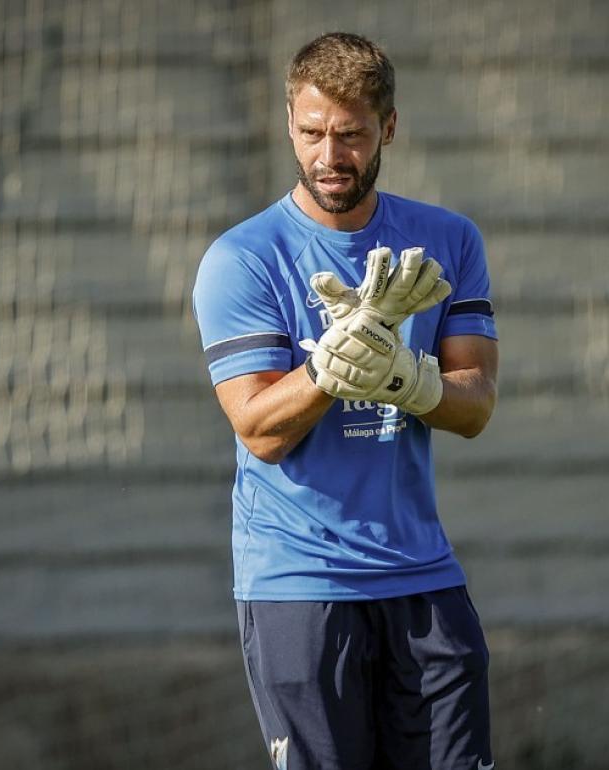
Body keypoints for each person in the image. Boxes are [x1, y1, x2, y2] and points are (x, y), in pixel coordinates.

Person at [192, 31, 499, 770]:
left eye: (351, 134)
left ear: (388, 128)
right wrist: (331, 368)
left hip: (423, 576)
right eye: (312, 133)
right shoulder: (244, 258)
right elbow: (259, 430)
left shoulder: (446, 240)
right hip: (299, 584)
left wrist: (406, 377)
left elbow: (476, 404)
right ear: (288, 127)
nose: (330, 155)